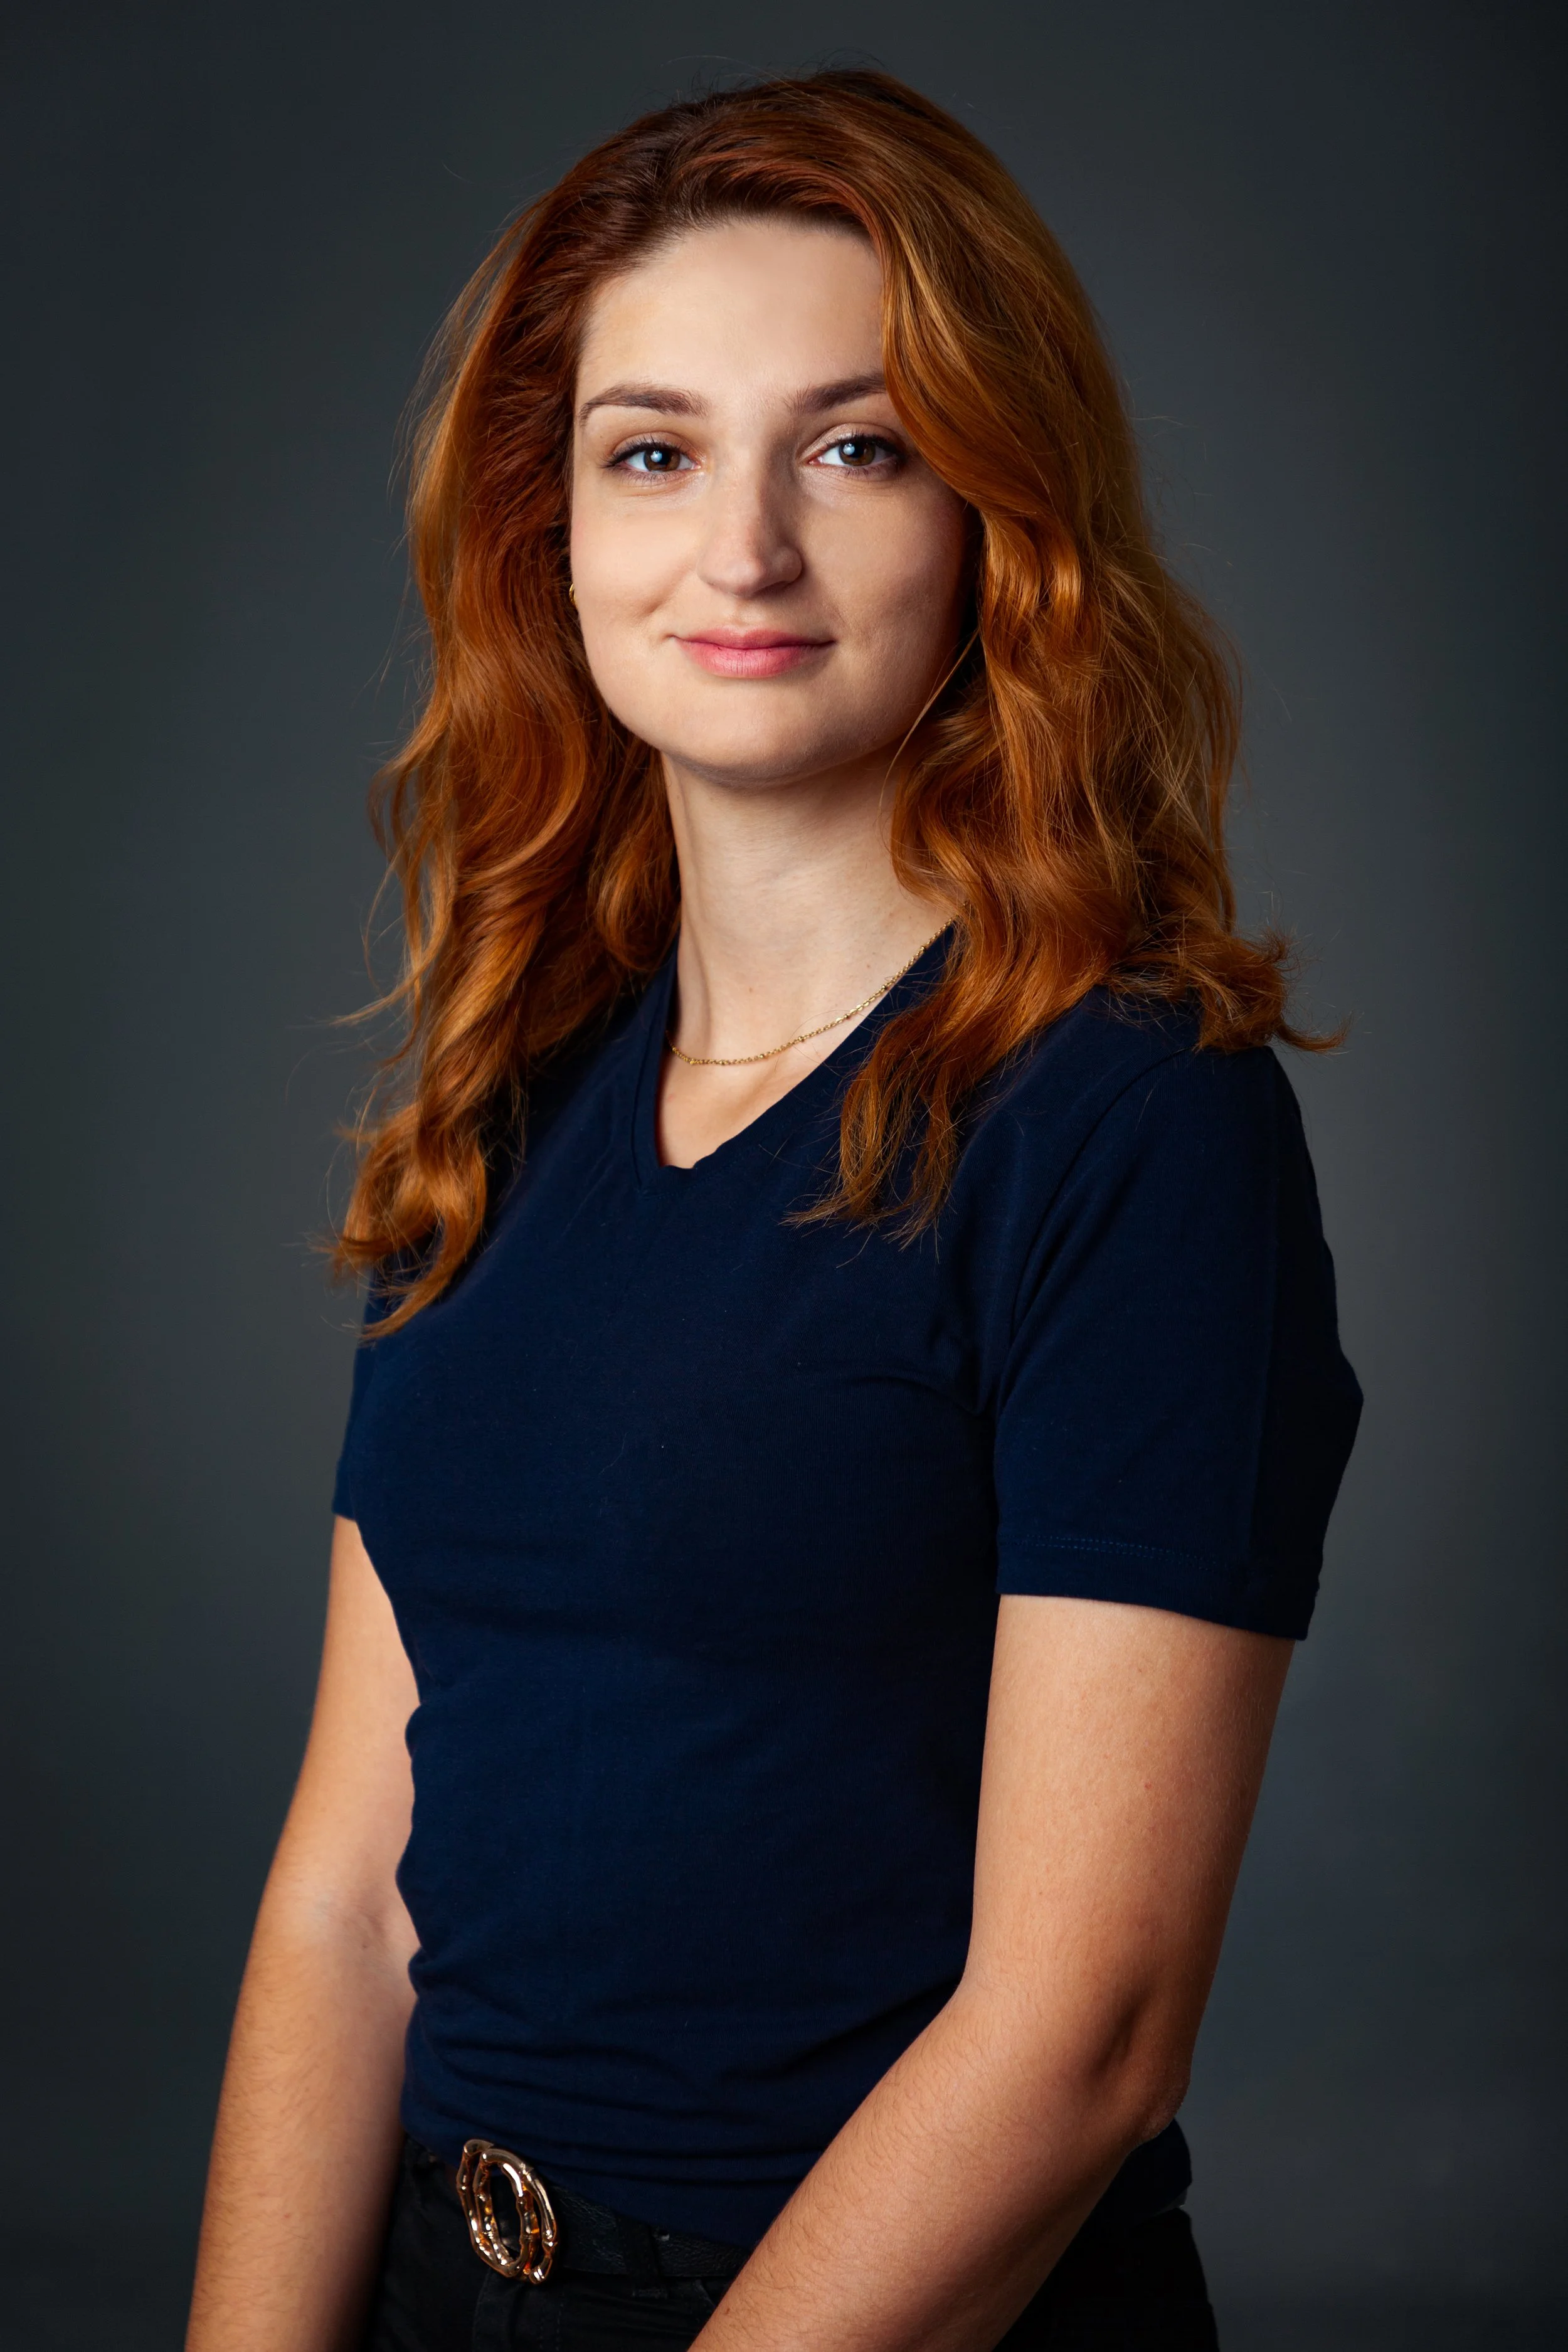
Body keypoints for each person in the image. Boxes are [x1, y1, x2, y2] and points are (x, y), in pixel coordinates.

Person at [186, 69, 1362, 2352]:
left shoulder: (1132, 1117)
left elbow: (1082, 2037)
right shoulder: (506, 1100)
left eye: (856, 448)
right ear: (548, 528)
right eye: (651, 453)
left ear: (997, 518)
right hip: (435, 2281)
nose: (740, 550)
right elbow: (349, 1894)